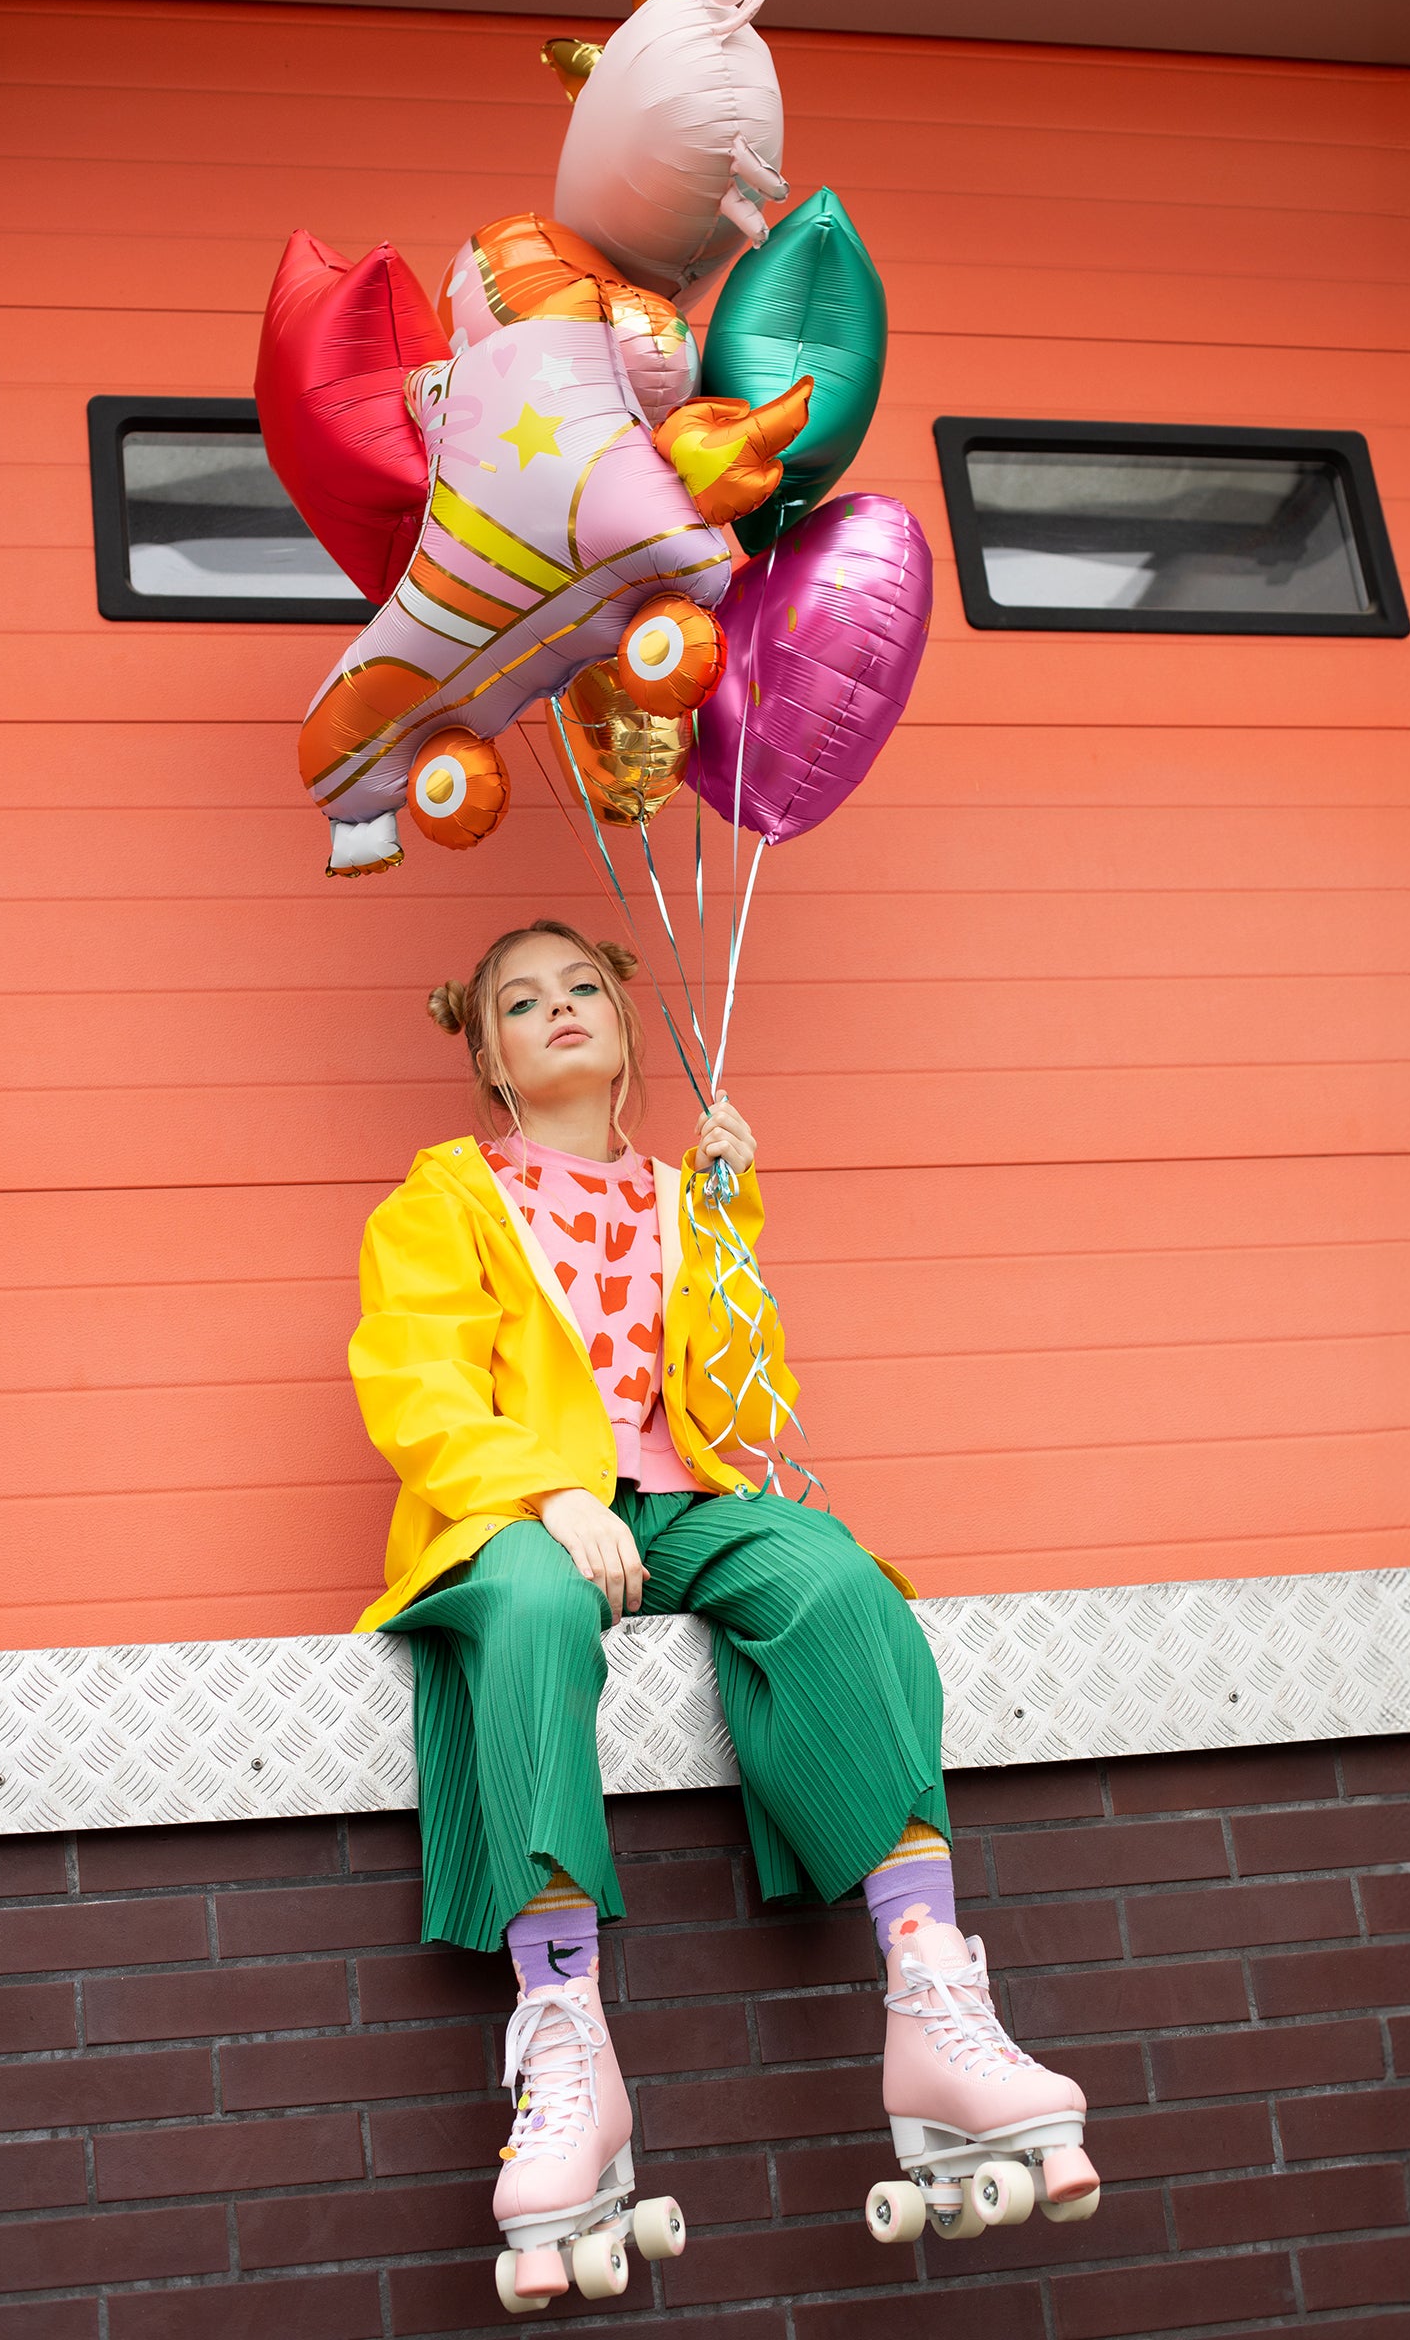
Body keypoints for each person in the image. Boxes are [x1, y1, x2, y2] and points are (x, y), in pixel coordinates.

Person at [349, 917, 1099, 2308]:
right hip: (525, 1514)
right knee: (528, 1606)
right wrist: (544, 1494)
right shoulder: (445, 1196)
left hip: (682, 1508)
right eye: (521, 1001)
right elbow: (415, 1383)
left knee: (829, 1572)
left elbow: (747, 1416)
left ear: (624, 1025)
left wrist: (729, 1223)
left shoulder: (679, 1196)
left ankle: (932, 1992)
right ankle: (563, 2043)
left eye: (583, 987)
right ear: (491, 1059)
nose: (559, 1008)